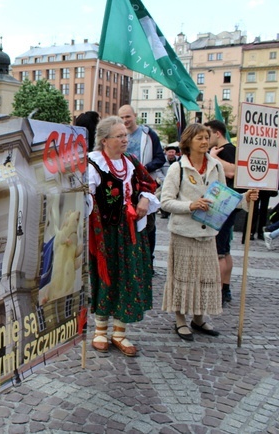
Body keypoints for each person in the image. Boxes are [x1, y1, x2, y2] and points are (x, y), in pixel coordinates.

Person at [160, 124, 258, 341]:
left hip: (208, 233)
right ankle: (180, 320)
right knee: (182, 277)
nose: (205, 142)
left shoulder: (216, 166)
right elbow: (165, 201)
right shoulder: (179, 168)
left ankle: (198, 318)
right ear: (188, 142)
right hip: (184, 233)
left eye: (206, 137)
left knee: (204, 278)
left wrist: (244, 199)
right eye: (199, 139)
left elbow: (224, 196)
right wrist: (190, 205)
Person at [87, 116, 159, 357]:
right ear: (105, 140)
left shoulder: (131, 162)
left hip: (130, 233)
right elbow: (86, 199)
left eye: (126, 135)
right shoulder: (93, 163)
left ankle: (120, 332)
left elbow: (148, 184)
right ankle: (99, 330)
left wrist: (144, 199)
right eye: (119, 136)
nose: (125, 140)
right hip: (105, 234)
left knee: (128, 276)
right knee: (107, 276)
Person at [118, 104, 165, 265]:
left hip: (145, 185)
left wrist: (143, 169)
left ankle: (148, 261)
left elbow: (160, 158)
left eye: (128, 117)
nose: (125, 121)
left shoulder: (148, 134)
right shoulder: (117, 135)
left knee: (148, 223)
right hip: (124, 186)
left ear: (135, 115)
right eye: (122, 118)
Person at [204, 119, 238, 305]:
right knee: (225, 249)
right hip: (227, 203)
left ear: (218, 133)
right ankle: (225, 288)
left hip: (224, 203)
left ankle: (217, 291)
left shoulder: (227, 151)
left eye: (209, 134)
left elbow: (233, 172)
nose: (206, 139)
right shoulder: (224, 151)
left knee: (219, 251)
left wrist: (214, 158)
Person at [155, 144, 181, 218]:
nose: (171, 154)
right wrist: (165, 179)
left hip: (177, 180)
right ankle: (163, 211)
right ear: (166, 153)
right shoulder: (162, 160)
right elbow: (158, 170)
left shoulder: (179, 160)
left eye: (172, 152)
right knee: (160, 195)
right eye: (169, 152)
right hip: (163, 180)